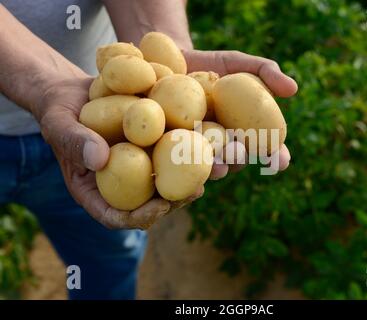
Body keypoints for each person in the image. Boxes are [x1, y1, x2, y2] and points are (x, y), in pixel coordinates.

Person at [0, 0, 297, 299]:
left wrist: (167, 54)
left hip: (86, 132)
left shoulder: (133, 107)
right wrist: (42, 83)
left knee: (107, 264)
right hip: (79, 116)